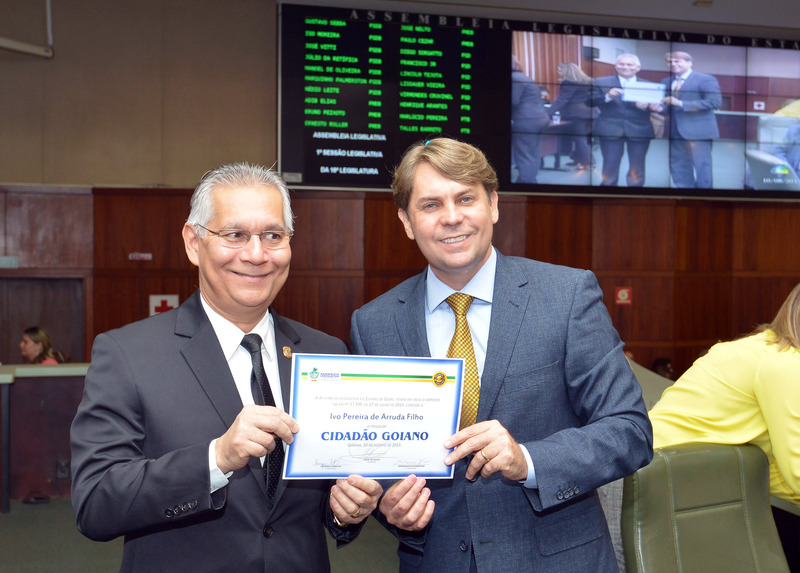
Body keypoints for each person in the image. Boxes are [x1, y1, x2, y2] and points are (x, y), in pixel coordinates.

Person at [350, 138, 653, 572]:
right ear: (407, 221)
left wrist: (526, 459)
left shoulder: (567, 296)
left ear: (493, 205)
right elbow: (375, 460)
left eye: (466, 199)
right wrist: (390, 507)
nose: (451, 217)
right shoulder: (373, 324)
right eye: (431, 205)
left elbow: (630, 430)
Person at [70, 163, 386, 572]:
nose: (256, 254)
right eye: (235, 234)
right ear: (193, 242)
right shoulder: (127, 354)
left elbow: (320, 495)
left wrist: (344, 511)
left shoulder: (327, 353)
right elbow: (96, 504)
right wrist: (216, 458)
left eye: (273, 235)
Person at [649, 281, 800, 569]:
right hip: (658, 488)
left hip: (673, 484)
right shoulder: (784, 365)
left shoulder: (760, 350)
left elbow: (773, 467)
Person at [652, 51, 721, 189]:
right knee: (678, 164)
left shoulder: (705, 79)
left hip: (699, 132)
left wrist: (681, 103)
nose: (673, 64)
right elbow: (667, 107)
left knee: (702, 165)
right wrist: (658, 108)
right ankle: (685, 192)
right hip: (675, 131)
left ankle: (704, 195)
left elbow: (714, 102)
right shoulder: (666, 82)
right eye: (670, 62)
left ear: (689, 63)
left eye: (677, 61)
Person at [589, 54, 655, 187]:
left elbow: (659, 107)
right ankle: (607, 191)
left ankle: (635, 193)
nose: (625, 67)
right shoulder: (600, 82)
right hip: (610, 128)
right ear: (616, 66)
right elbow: (588, 102)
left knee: (637, 165)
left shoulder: (649, 86)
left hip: (639, 129)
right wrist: (607, 96)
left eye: (629, 64)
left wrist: (647, 106)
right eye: (621, 64)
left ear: (638, 68)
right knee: (610, 164)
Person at [511, 55, 550, 184]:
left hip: (526, 119)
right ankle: (530, 178)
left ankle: (525, 181)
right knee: (532, 152)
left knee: (525, 153)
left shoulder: (514, 78)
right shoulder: (523, 77)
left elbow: (513, 101)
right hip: (538, 118)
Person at [548, 62, 594, 170]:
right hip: (590, 112)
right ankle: (577, 159)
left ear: (566, 70)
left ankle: (588, 162)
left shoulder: (568, 82)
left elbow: (563, 99)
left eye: (560, 70)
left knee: (579, 138)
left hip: (576, 113)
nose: (558, 72)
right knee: (581, 137)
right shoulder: (588, 81)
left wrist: (548, 111)